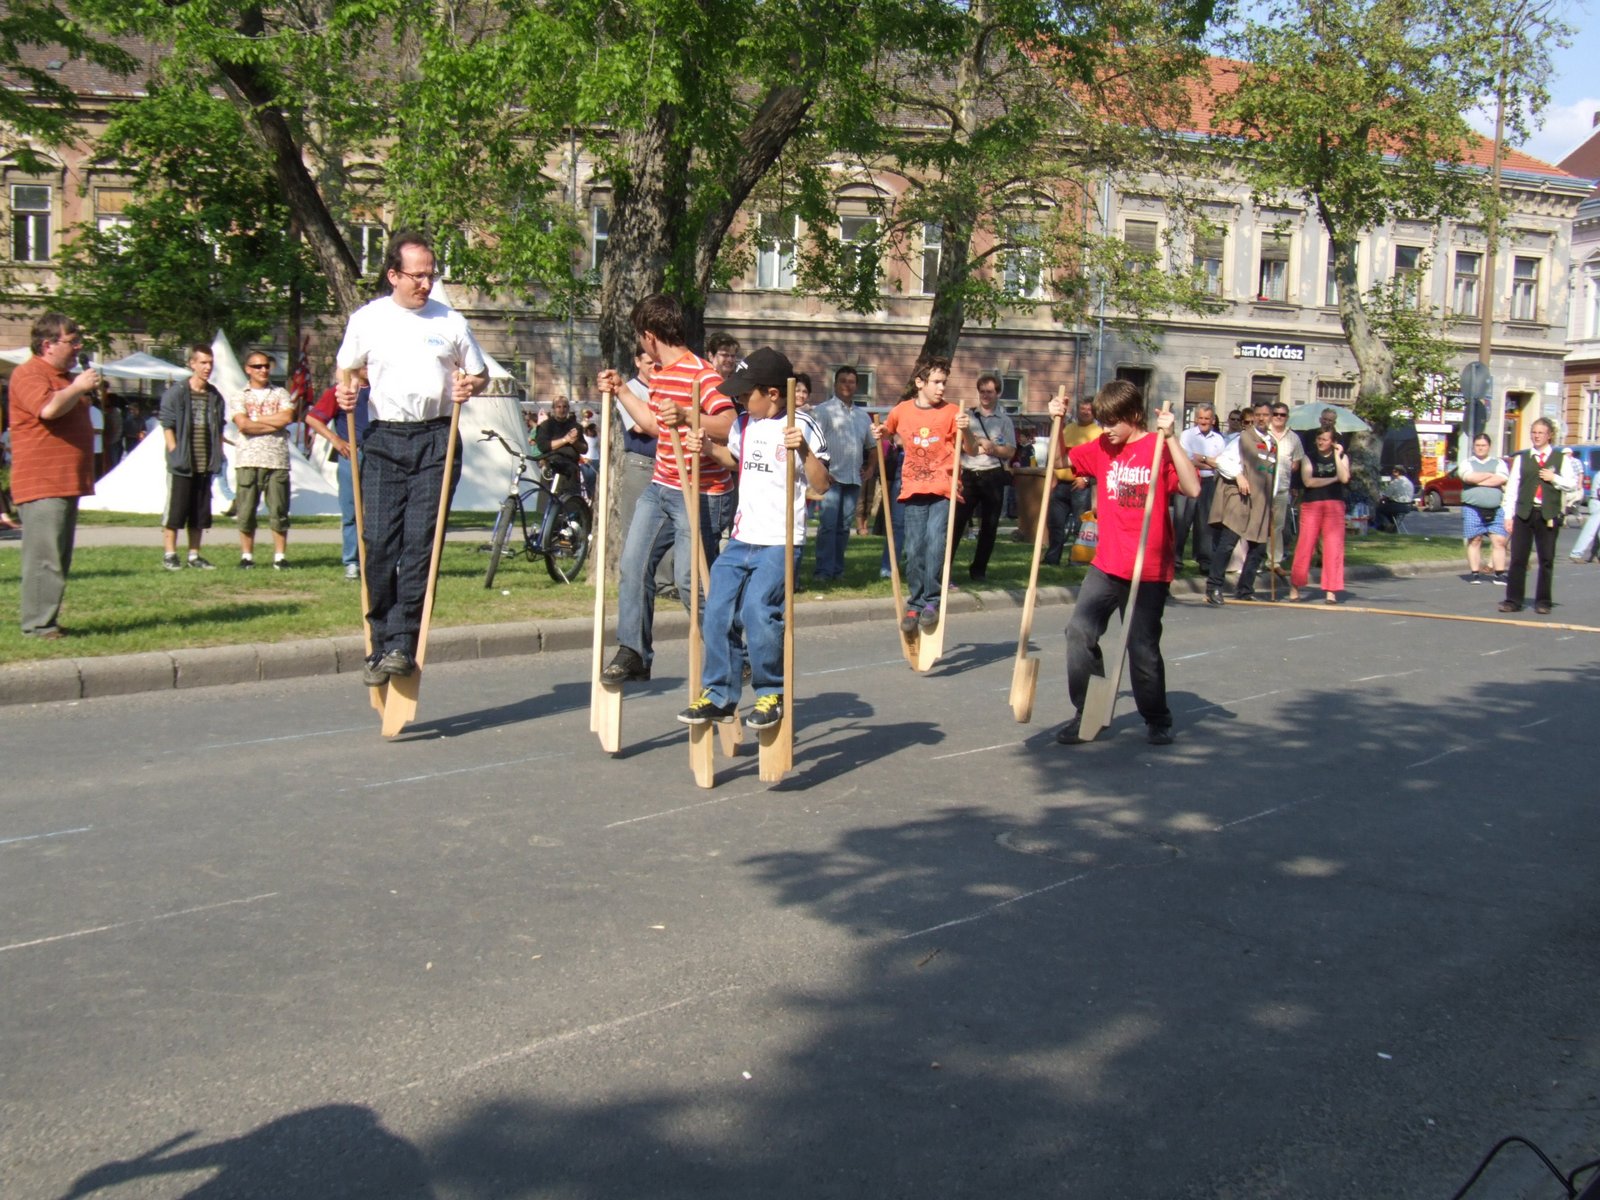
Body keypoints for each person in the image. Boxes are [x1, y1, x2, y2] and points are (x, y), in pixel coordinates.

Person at [335, 229, 489, 687]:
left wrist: (470, 386)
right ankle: (380, 640)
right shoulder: (368, 319)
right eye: (417, 276)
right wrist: (346, 388)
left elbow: (479, 374)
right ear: (393, 275)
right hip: (384, 438)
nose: (425, 284)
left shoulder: (451, 322)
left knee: (420, 545)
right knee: (379, 542)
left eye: (430, 275)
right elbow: (347, 367)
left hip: (436, 438)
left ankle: (402, 642)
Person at [676, 347, 831, 730]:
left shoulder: (802, 424)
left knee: (758, 611)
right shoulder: (743, 424)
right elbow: (736, 460)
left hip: (780, 540)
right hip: (742, 537)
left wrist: (803, 449)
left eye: (747, 394)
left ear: (773, 393)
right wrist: (708, 449)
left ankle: (770, 692)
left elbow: (822, 484)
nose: (741, 401)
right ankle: (719, 695)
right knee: (716, 611)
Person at [1048, 381, 1201, 746]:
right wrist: (1056, 421)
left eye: (1113, 421)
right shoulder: (1103, 446)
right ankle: (1088, 712)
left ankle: (1156, 717)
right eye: (1102, 422)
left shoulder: (1157, 447)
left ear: (1134, 415)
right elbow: (1060, 463)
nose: (1106, 429)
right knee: (1079, 632)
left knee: (1141, 648)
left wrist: (1172, 439)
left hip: (1147, 568)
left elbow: (1193, 488)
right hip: (1107, 563)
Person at [596, 293, 736, 684]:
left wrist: (689, 414)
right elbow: (656, 426)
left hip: (702, 492)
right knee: (633, 565)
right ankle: (634, 652)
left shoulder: (703, 375)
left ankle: (730, 652)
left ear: (649, 335)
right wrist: (622, 391)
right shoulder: (658, 374)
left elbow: (729, 426)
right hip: (662, 486)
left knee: (692, 582)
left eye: (640, 337)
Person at [10, 312, 100, 639]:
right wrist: (78, 387)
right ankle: (37, 625)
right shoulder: (29, 373)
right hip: (43, 482)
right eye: (71, 341)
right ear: (48, 344)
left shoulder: (63, 377)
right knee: (44, 558)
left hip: (64, 482)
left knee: (58, 557)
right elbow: (48, 409)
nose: (78, 347)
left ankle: (46, 620)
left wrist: (75, 386)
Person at [870, 357, 973, 632]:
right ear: (920, 382)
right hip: (913, 488)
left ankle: (932, 600)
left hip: (943, 488)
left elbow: (971, 449)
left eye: (944, 383)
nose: (941, 388)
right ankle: (915, 602)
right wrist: (880, 431)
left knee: (935, 542)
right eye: (936, 382)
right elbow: (888, 429)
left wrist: (967, 430)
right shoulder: (902, 410)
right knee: (914, 547)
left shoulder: (952, 412)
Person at [1498, 417, 1579, 615]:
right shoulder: (1522, 458)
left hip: (1548, 513)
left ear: (1549, 435)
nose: (1536, 436)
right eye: (1534, 432)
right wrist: (1508, 516)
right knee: (1518, 558)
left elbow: (1571, 484)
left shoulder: (1560, 458)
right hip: (1524, 512)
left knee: (1546, 558)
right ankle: (1513, 600)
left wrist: (1554, 478)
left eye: (1541, 433)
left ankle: (1543, 601)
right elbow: (1512, 488)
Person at [159, 344, 226, 571]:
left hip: (205, 462)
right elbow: (167, 424)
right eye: (203, 363)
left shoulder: (215, 396)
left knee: (199, 513)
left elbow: (220, 427)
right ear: (192, 364)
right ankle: (170, 554)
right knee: (176, 511)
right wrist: (175, 452)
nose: (207, 367)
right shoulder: (177, 392)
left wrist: (218, 453)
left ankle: (194, 555)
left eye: (210, 363)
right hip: (183, 463)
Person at [806, 364, 875, 582]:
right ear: (835, 384)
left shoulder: (863, 416)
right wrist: (821, 471)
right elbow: (812, 444)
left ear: (856, 385)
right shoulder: (823, 411)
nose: (847, 385)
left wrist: (871, 467)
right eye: (843, 381)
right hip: (831, 479)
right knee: (828, 526)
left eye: (851, 382)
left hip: (853, 478)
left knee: (844, 527)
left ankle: (837, 569)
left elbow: (872, 446)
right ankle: (823, 571)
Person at [1205, 402, 1276, 604]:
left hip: (1262, 501)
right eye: (1258, 414)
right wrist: (1238, 475)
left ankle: (1245, 589)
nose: (1261, 418)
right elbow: (1222, 461)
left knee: (1258, 547)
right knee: (1228, 543)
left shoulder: (1272, 443)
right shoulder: (1242, 439)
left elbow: (1272, 474)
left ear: (1271, 417)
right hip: (1241, 498)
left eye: (1266, 415)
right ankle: (1213, 587)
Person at [230, 351, 295, 569]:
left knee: (279, 510)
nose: (263, 370)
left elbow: (287, 417)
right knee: (246, 511)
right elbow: (243, 424)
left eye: (266, 366)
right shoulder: (240, 395)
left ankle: (280, 557)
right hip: (248, 459)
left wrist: (255, 419)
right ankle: (247, 556)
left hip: (277, 460)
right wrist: (272, 423)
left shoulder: (281, 393)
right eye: (258, 366)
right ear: (248, 369)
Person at [305, 369, 370, 581]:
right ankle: (352, 562)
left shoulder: (383, 389)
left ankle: (381, 561)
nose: (368, 367)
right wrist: (336, 440)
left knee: (383, 512)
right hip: (353, 454)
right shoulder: (342, 391)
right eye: (364, 363)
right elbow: (313, 418)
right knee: (351, 511)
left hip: (381, 455)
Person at [951, 372, 1016, 582]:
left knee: (989, 525)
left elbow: (1010, 451)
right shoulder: (967, 416)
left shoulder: (1005, 421)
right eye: (982, 392)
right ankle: (944, 568)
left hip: (992, 475)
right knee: (956, 523)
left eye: (989, 392)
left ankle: (979, 570)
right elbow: (956, 443)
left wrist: (992, 448)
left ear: (998, 393)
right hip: (969, 474)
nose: (985, 395)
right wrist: (978, 439)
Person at [1290, 426, 1351, 603]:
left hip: (1334, 505)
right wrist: (1333, 479)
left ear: (1333, 442)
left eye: (1325, 439)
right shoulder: (1309, 457)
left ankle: (1331, 590)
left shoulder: (1342, 457)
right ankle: (1295, 585)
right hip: (1312, 504)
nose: (1321, 442)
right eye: (1319, 439)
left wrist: (1338, 456)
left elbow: (1344, 478)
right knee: (1305, 545)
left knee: (1333, 547)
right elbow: (1308, 481)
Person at [1043, 398, 1102, 565]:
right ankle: (1052, 557)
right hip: (1061, 484)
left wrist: (1086, 478)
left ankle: (1076, 558)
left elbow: (1099, 462)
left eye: (1088, 409)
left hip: (1081, 487)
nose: (1085, 412)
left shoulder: (1098, 433)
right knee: (1055, 523)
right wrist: (1054, 477)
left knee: (1079, 524)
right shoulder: (1068, 429)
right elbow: (1056, 454)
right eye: (1082, 409)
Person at [1173, 404, 1225, 574]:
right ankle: (1176, 558)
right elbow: (1187, 460)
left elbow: (1220, 463)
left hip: (1208, 482)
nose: (1203, 421)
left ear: (1213, 420)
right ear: (1196, 419)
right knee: (1182, 521)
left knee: (1205, 523)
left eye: (1207, 419)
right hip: (1188, 480)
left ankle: (1204, 560)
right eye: (1200, 418)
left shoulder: (1218, 439)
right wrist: (1209, 461)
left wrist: (1201, 458)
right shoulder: (1187, 435)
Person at [1459, 432, 1509, 582]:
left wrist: (1478, 480)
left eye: (1484, 445)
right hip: (1472, 507)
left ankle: (1499, 574)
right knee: (1475, 540)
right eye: (1478, 445)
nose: (1480, 448)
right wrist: (1489, 475)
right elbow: (1468, 477)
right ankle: (1475, 573)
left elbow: (1501, 478)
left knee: (1499, 541)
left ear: (1489, 447)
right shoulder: (1467, 462)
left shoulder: (1499, 463)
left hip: (1495, 508)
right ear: (1474, 447)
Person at [1265, 400, 1305, 573]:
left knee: (1277, 525)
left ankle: (1274, 562)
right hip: (1262, 487)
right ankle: (1250, 560)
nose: (1279, 417)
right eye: (1276, 414)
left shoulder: (1293, 437)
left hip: (1282, 487)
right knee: (1257, 524)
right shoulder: (1263, 433)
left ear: (1287, 417)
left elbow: (1297, 462)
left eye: (1282, 415)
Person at [535, 394, 587, 497]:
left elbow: (584, 449)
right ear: (553, 409)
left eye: (564, 407)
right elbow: (543, 446)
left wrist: (574, 442)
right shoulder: (546, 426)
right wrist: (565, 439)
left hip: (571, 470)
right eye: (558, 407)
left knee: (571, 503)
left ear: (568, 409)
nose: (562, 410)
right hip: (551, 468)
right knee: (549, 502)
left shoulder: (576, 426)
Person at [1567, 469, 1600, 564]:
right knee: (1590, 531)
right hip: (1597, 503)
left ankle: (1594, 554)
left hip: (1596, 502)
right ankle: (1576, 553)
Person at [1375, 467, 1414, 532]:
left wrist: (1380, 500)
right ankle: (1392, 527)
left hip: (1397, 505)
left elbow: (1386, 496)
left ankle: (1385, 526)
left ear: (1397, 472)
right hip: (1408, 507)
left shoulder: (1395, 482)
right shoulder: (1409, 482)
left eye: (1393, 472)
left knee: (1379, 509)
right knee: (1390, 513)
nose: (1392, 474)